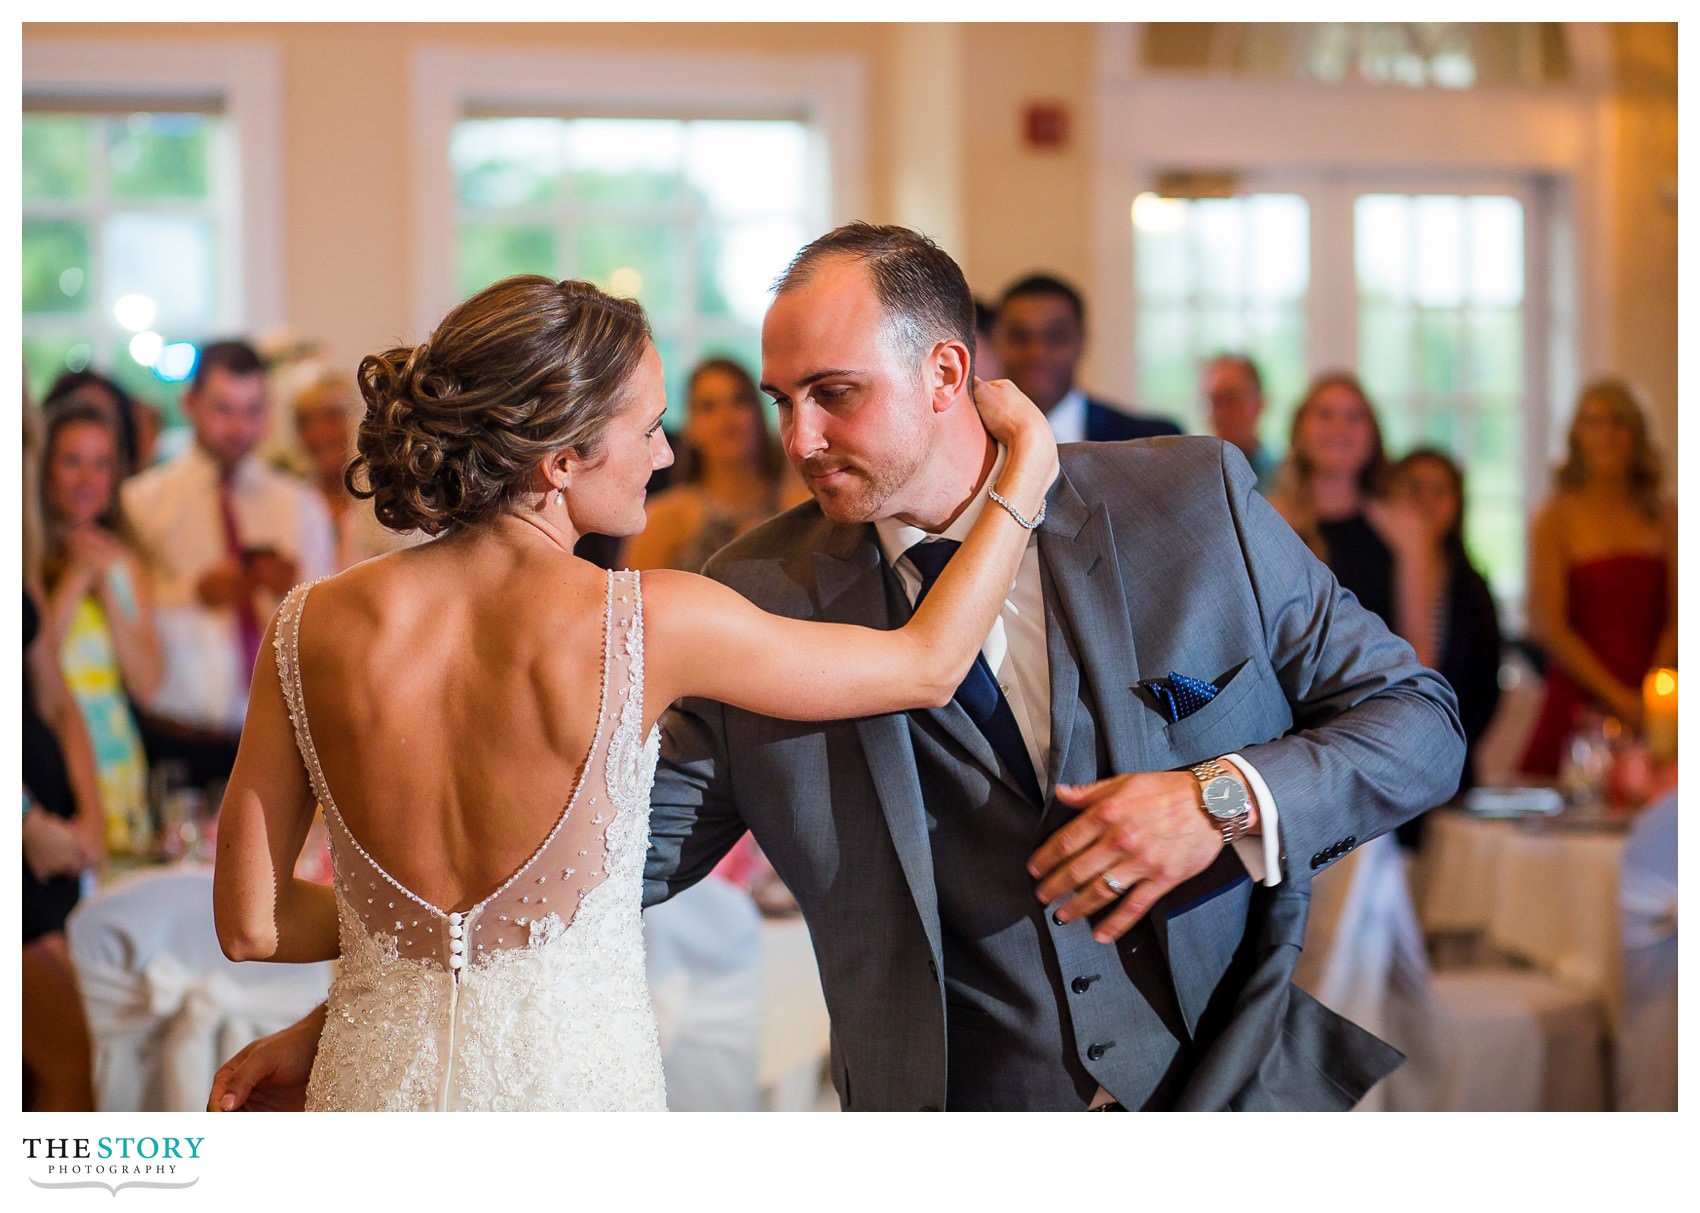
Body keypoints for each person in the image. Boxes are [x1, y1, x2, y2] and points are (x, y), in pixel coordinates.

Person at [212, 226, 1463, 1114]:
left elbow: (1416, 721)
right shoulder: (748, 592)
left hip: (1226, 1097)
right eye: (778, 399)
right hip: (946, 1133)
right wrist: (370, 1026)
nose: (795, 438)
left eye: (834, 394)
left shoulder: (1187, 501)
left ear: (945, 373)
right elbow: (585, 874)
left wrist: (1216, 800)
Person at [208, 272, 1058, 1111]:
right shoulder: (651, 622)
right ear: (563, 456)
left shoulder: (306, 623)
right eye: (649, 428)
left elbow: (251, 923)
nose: (666, 451)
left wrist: (405, 954)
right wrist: (1025, 474)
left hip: (368, 1096)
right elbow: (929, 664)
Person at [121, 340, 336, 790]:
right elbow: (122, 618)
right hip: (175, 736)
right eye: (223, 410)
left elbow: (329, 628)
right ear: (190, 404)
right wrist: (194, 596)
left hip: (277, 742)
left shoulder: (299, 505)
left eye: (253, 410)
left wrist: (291, 590)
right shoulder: (141, 503)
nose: (240, 427)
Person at [1519, 378, 1676, 776]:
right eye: (1593, 423)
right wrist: (1620, 699)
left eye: (1618, 422)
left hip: (1657, 694)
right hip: (1578, 694)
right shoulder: (1555, 517)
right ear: (1577, 437)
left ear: (1637, 435)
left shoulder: (1666, 516)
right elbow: (1553, 626)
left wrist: (1649, 691)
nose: (1606, 435)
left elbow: (1678, 616)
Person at [22, 393, 101, 1112]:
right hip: (23, 840)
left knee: (64, 1072)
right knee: (65, 1066)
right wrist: (22, 820)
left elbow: (54, 698)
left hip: (47, 842)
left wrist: (93, 813)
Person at [37, 400, 162, 854]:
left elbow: (146, 684)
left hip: (117, 760)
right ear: (45, 467)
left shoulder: (126, 563)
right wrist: (74, 580)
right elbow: (33, 668)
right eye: (73, 461)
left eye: (101, 464)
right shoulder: (26, 560)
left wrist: (106, 588)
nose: (88, 479)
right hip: (53, 759)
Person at [1269, 371, 1441, 668]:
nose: (1339, 428)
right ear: (1299, 431)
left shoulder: (1404, 528)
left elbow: (1420, 646)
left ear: (1372, 435)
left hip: (1379, 696)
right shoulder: (1268, 522)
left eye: (1353, 418)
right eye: (1325, 415)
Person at [1389, 449, 1503, 844]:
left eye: (1440, 491)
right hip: (1381, 761)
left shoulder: (1472, 587)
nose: (1426, 501)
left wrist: (1447, 743)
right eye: (1415, 488)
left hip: (1452, 764)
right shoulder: (1376, 572)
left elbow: (1486, 686)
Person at [624, 357, 807, 573]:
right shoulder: (663, 520)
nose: (726, 417)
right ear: (690, 426)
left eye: (739, 401)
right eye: (708, 407)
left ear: (759, 413)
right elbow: (638, 603)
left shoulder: (801, 507)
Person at [992, 272, 1182, 442]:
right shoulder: (978, 439)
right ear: (997, 340)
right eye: (1019, 337)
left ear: (1081, 341)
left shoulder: (1150, 440)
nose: (1036, 352)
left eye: (1056, 337)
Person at [289, 370, 425, 570]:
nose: (319, 432)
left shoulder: (386, 497)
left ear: (357, 421)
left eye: (332, 416)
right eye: (306, 422)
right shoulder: (294, 501)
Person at [1202, 352, 1278, 494]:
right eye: (1214, 400)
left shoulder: (1284, 481)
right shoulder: (1198, 480)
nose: (1219, 413)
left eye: (1231, 399)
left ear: (1259, 403)